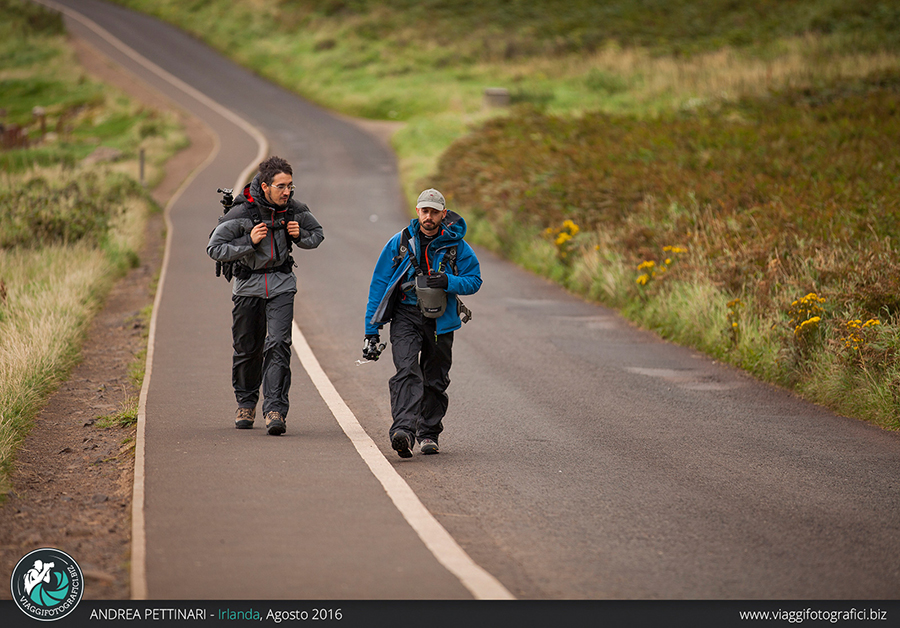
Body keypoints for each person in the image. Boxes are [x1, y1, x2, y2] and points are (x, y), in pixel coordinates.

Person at [208, 156, 324, 435]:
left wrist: (299, 236)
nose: (287, 192)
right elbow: (215, 248)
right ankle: (246, 403)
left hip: (282, 284)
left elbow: (317, 234)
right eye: (281, 186)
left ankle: (275, 410)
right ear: (265, 186)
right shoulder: (242, 213)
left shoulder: (294, 210)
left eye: (290, 186)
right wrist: (249, 242)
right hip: (248, 286)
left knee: (279, 344)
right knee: (248, 348)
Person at [363, 188, 482, 457]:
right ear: (417, 211)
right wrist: (372, 330)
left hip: (441, 321)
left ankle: (429, 433)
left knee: (435, 379)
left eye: (434, 212)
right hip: (405, 316)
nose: (429, 216)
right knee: (406, 371)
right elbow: (379, 284)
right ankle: (403, 432)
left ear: (443, 213)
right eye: (424, 211)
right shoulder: (400, 242)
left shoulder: (458, 246)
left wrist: (449, 282)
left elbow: (474, 280)